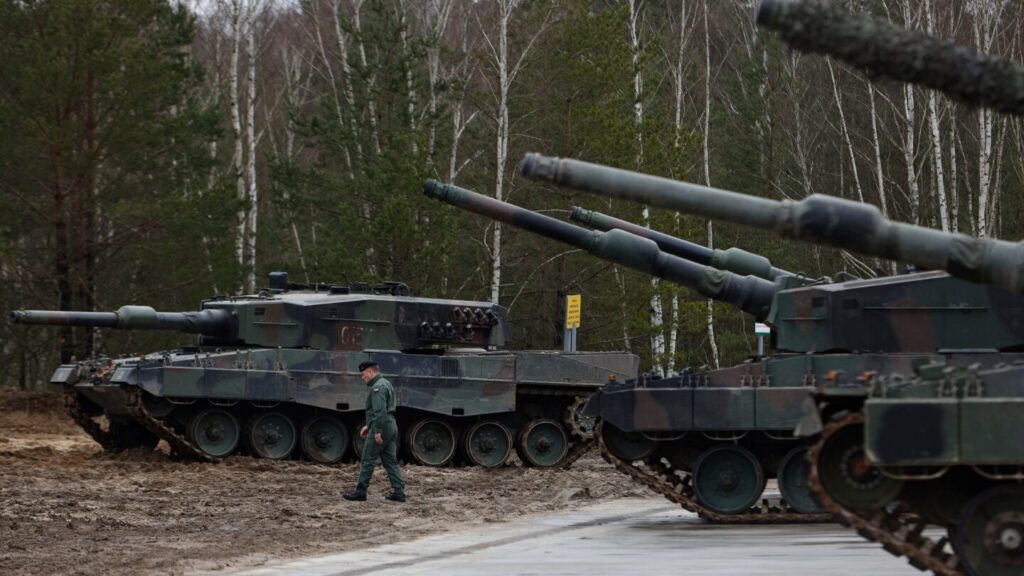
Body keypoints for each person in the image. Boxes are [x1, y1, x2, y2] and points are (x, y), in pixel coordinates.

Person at [343, 361, 407, 502]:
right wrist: (368, 425)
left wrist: (377, 431)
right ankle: (399, 492)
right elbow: (383, 410)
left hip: (382, 427)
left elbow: (380, 411)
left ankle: (360, 492)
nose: (362, 377)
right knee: (390, 461)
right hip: (390, 425)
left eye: (363, 374)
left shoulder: (377, 388)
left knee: (367, 459)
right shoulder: (386, 383)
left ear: (370, 372)